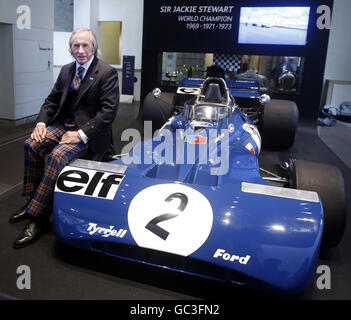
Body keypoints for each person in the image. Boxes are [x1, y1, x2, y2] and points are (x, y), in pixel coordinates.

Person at [9, 28, 120, 249]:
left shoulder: (106, 72)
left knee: (57, 157)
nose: (80, 50)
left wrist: (80, 134)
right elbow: (51, 101)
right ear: (70, 48)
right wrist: (41, 123)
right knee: (31, 144)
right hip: (63, 126)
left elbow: (108, 112)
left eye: (85, 45)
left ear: (94, 47)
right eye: (76, 46)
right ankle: (32, 200)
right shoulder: (67, 70)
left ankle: (38, 218)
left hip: (88, 133)